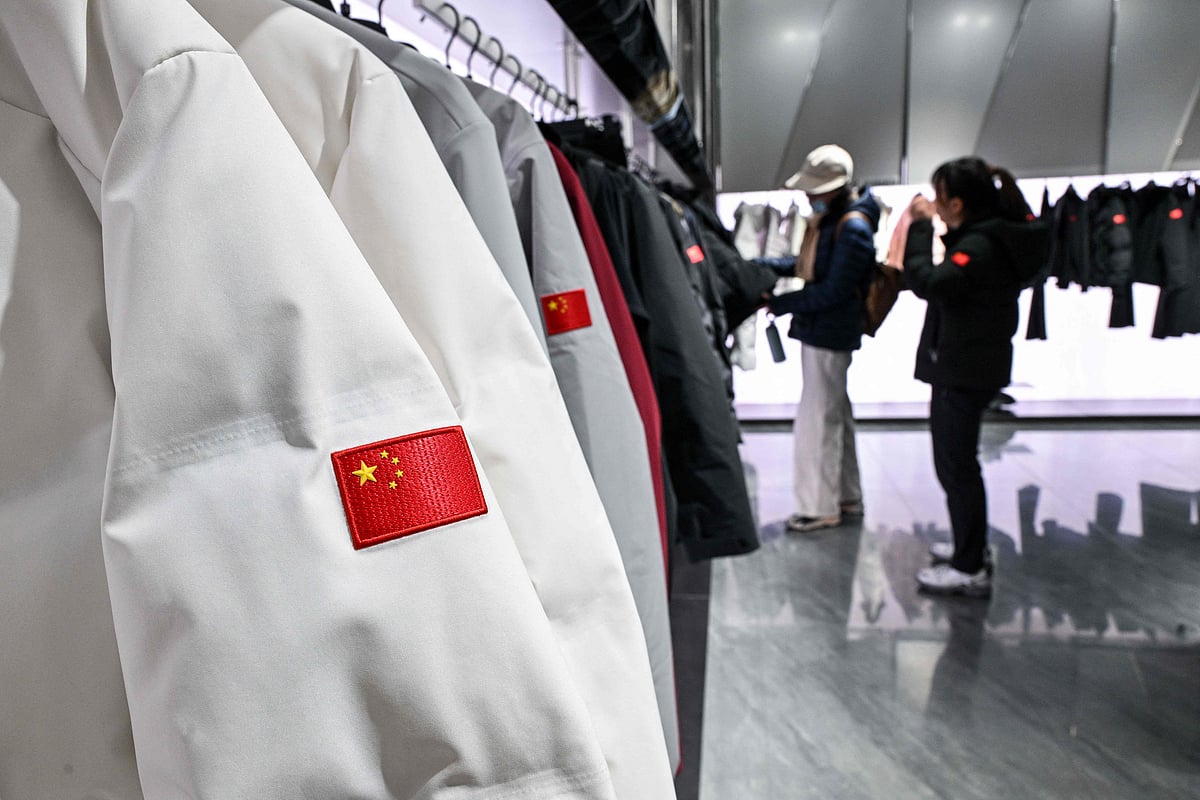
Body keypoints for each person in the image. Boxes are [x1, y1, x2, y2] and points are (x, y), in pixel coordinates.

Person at [904, 156, 1045, 596]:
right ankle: (970, 550)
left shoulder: (980, 247)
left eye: (941, 199)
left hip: (962, 370)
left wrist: (921, 229)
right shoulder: (992, 238)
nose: (936, 206)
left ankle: (969, 566)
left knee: (957, 467)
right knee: (958, 466)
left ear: (958, 203)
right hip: (970, 365)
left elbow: (931, 283)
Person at [765, 144, 881, 532]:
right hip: (826, 330)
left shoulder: (851, 228)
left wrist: (783, 303)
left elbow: (834, 290)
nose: (808, 195)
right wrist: (763, 271)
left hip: (830, 332)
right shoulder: (842, 222)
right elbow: (810, 268)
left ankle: (819, 506)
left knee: (819, 419)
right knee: (833, 414)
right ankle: (846, 496)